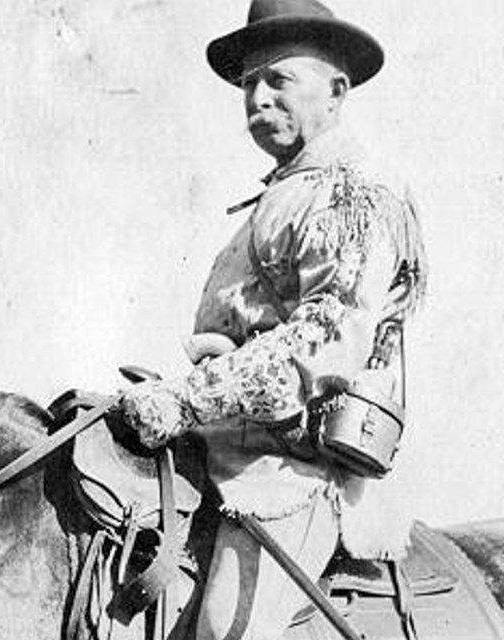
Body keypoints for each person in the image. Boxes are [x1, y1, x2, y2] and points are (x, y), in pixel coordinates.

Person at [121, 0, 427, 637]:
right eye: (248, 84)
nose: (257, 98)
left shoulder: (352, 190)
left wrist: (184, 399)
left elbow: (323, 340)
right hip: (226, 451)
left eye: (278, 80)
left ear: (336, 91)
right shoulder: (288, 191)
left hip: (291, 472)